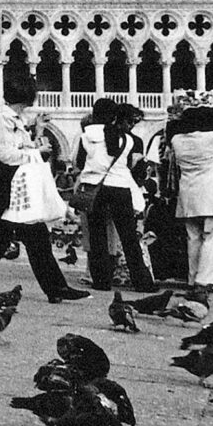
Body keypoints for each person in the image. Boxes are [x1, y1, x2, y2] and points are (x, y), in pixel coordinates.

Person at [0, 73, 88, 303]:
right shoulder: (5, 119)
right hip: (7, 187)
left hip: (11, 187)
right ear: (28, 95)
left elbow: (17, 148)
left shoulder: (13, 118)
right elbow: (6, 155)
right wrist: (36, 152)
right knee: (21, 237)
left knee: (13, 237)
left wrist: (38, 133)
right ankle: (54, 288)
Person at [75, 99, 156, 292]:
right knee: (128, 237)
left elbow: (79, 161)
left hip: (94, 188)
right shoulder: (127, 139)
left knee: (97, 237)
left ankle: (101, 281)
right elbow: (129, 166)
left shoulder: (86, 135)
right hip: (120, 188)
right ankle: (142, 282)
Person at [169, 105, 213, 290]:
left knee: (193, 238)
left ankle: (192, 278)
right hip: (212, 195)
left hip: (188, 195)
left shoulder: (176, 140)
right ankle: (206, 280)